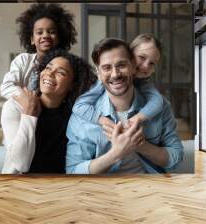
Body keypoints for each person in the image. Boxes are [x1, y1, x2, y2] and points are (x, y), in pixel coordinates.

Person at [66, 38, 183, 174]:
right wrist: (116, 153)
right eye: (106, 68)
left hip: (150, 189)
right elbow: (73, 171)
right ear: (98, 73)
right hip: (104, 191)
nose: (115, 74)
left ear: (133, 66)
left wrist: (141, 146)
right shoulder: (83, 115)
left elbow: (176, 157)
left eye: (121, 65)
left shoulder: (159, 104)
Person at [1, 49, 96, 174]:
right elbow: (21, 164)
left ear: (72, 84)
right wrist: (29, 115)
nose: (50, 74)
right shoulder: (15, 107)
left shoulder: (76, 115)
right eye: (48, 68)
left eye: (61, 72)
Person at [72, 34, 163, 139]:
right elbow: (79, 106)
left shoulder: (144, 84)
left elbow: (157, 102)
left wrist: (135, 119)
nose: (146, 66)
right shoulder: (104, 82)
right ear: (130, 56)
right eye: (142, 57)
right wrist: (104, 121)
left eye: (152, 63)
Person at [0, 3, 77, 99]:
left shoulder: (67, 65)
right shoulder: (23, 60)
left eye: (51, 32)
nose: (45, 36)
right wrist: (32, 100)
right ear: (32, 39)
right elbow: (6, 87)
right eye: (39, 32)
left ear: (59, 37)